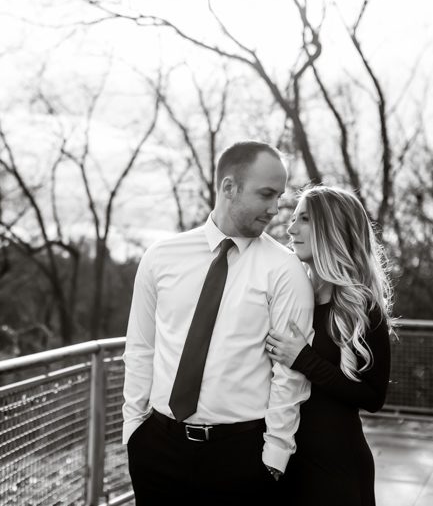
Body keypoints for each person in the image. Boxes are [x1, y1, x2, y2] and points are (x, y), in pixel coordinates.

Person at [121, 140, 314, 505]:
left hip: (240, 457)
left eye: (279, 196)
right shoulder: (161, 257)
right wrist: (134, 429)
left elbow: (290, 375)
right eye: (266, 195)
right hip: (158, 448)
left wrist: (274, 456)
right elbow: (141, 347)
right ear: (229, 187)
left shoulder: (285, 270)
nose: (276, 209)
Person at [265, 185, 394, 506]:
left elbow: (373, 397)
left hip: (336, 470)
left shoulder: (361, 306)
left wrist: (305, 360)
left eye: (305, 219)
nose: (291, 228)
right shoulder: (291, 297)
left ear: (333, 229)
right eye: (292, 218)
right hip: (285, 461)